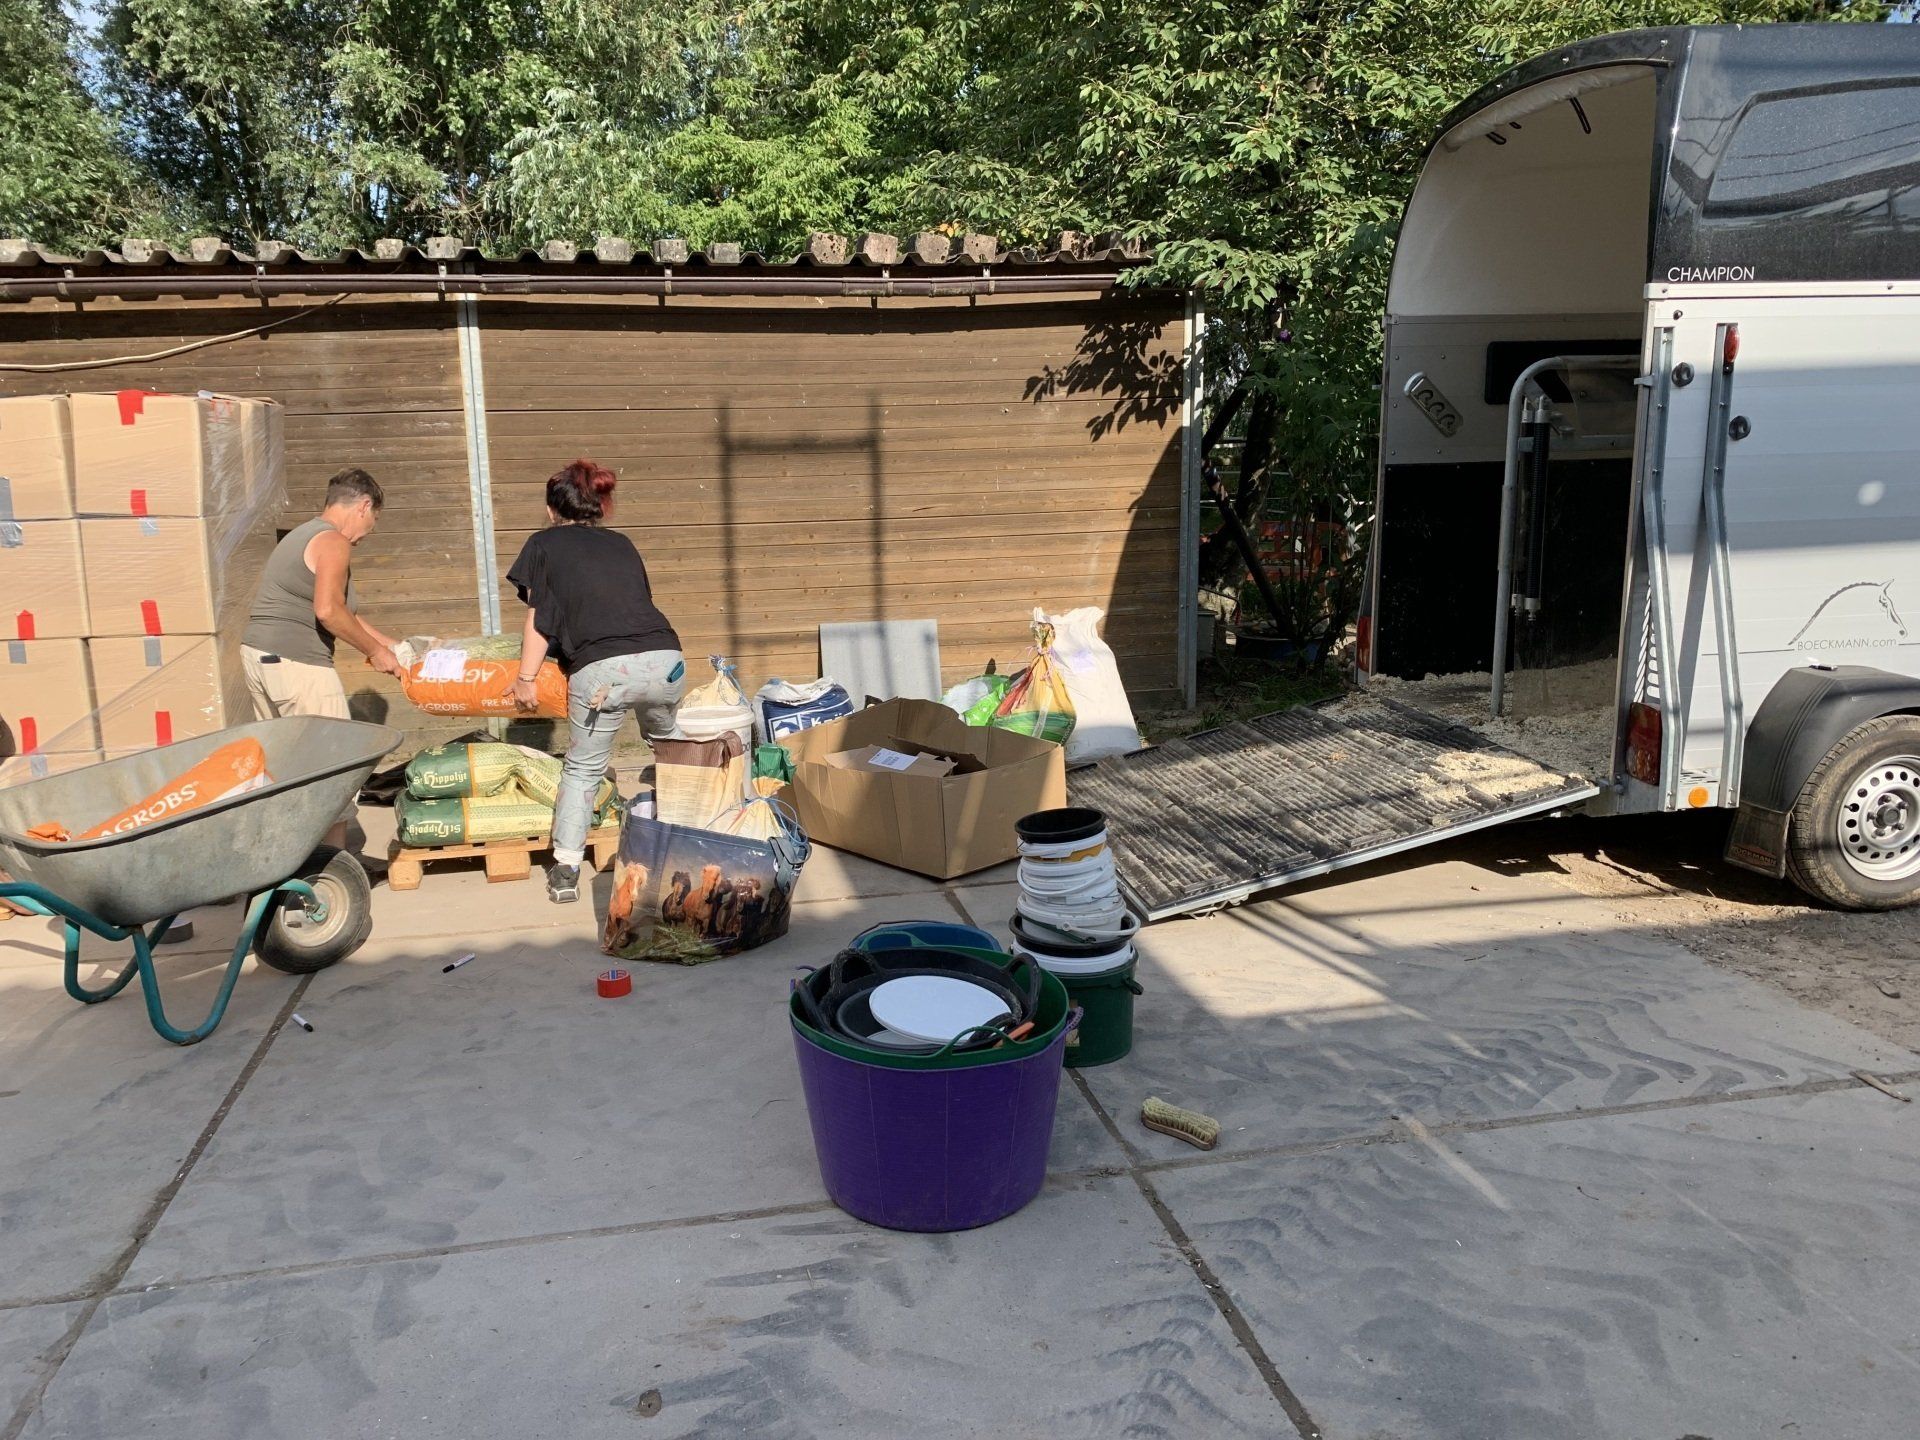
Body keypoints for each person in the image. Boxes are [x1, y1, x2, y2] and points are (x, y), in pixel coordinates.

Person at [507, 459, 685, 903]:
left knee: (584, 768)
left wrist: (526, 677)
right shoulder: (622, 543)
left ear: (551, 510)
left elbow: (540, 619)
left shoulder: (542, 544)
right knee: (670, 746)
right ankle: (693, 835)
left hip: (604, 670)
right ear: (601, 505)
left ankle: (566, 869)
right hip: (666, 658)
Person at [241, 467, 404, 852]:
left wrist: (394, 648)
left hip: (262, 658)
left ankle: (292, 858)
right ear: (363, 506)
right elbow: (328, 611)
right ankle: (333, 868)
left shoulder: (302, 535)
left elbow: (345, 612)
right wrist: (374, 652)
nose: (368, 533)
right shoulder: (333, 541)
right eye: (373, 520)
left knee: (288, 768)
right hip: (299, 663)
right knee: (335, 769)